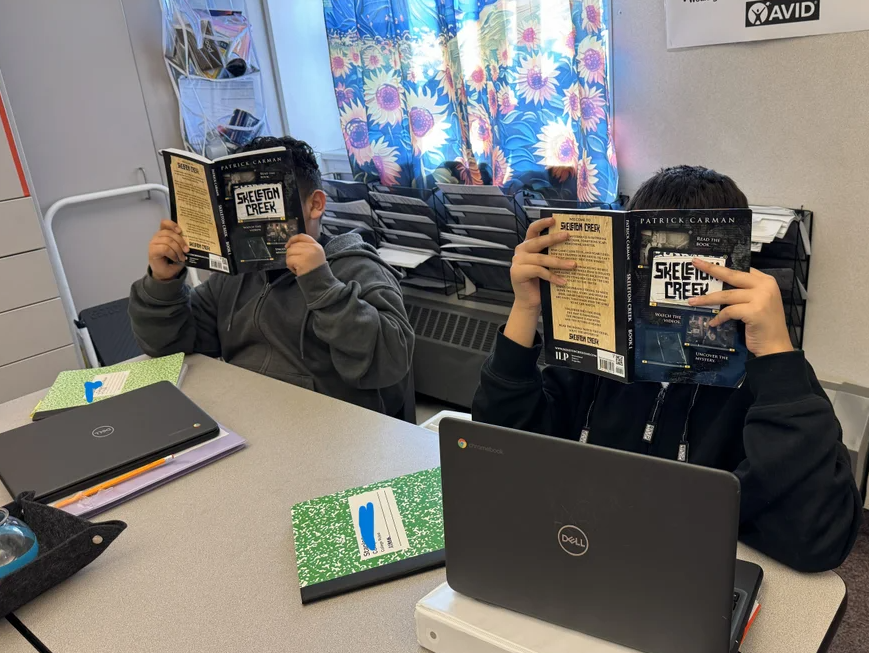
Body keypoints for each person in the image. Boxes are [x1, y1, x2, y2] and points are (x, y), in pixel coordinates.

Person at [473, 165, 862, 572]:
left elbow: (819, 539)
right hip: (583, 554)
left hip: (690, 571)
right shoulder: (597, 358)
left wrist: (779, 356)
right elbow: (499, 458)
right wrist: (525, 309)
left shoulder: (769, 381)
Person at [129, 136, 414, 418]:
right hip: (244, 412)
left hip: (326, 425)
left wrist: (321, 285)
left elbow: (391, 360)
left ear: (315, 205)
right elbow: (169, 346)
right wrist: (163, 283)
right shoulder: (235, 276)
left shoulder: (355, 266)